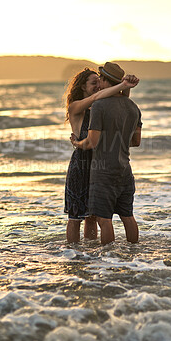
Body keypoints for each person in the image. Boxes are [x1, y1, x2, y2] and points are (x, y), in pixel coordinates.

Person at [64, 67, 139, 243]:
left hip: (101, 164)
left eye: (100, 81)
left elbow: (120, 103)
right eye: (93, 83)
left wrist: (124, 88)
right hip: (82, 164)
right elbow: (97, 97)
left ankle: (90, 252)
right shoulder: (76, 106)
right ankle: (74, 255)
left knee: (93, 216)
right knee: (75, 217)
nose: (98, 86)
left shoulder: (101, 106)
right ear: (82, 86)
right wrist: (123, 84)